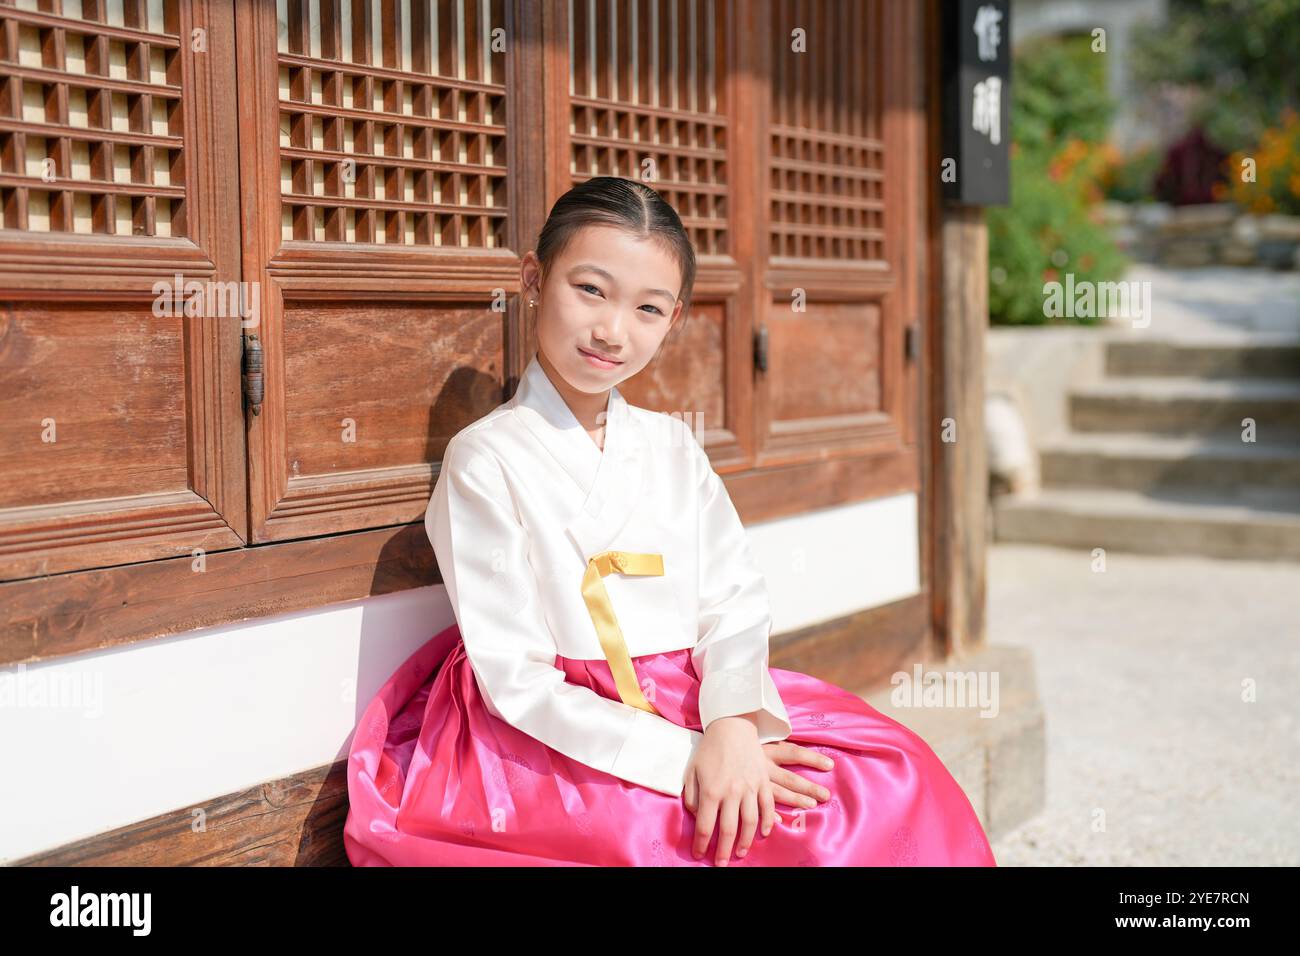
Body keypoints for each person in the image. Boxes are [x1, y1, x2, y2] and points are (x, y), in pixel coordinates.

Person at [343, 176, 997, 867]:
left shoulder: (671, 444)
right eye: (589, 290)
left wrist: (735, 727)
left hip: (695, 693)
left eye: (648, 308)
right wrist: (684, 757)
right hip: (557, 733)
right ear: (535, 279)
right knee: (764, 832)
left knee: (893, 773)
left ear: (674, 318)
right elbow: (517, 680)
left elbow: (732, 599)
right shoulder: (485, 459)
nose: (612, 331)